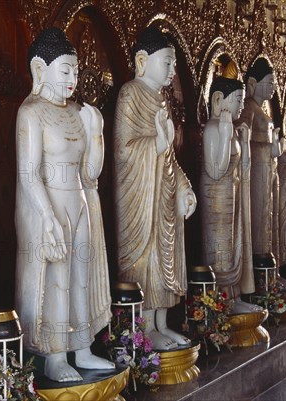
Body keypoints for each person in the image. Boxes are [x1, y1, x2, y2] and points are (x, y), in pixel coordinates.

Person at [15, 27, 114, 382]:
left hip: (79, 200)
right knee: (56, 278)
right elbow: (28, 174)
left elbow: (90, 173)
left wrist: (96, 132)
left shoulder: (76, 112)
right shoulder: (31, 113)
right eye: (65, 70)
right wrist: (47, 217)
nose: (73, 78)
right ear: (41, 70)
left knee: (81, 277)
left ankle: (82, 347)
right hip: (49, 205)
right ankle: (55, 354)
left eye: (76, 71)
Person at [113, 26, 196, 350]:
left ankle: (161, 322)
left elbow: (170, 157)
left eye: (174, 64)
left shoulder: (161, 99)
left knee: (167, 257)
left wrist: (185, 187)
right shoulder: (130, 93)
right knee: (145, 257)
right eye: (168, 63)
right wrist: (158, 141)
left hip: (162, 194)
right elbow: (123, 150)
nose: (173, 71)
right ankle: (145, 327)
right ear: (143, 60)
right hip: (139, 197)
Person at [199, 58, 262, 314]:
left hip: (232, 196)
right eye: (236, 100)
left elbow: (243, 170)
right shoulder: (213, 129)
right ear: (218, 101)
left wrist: (244, 142)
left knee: (234, 245)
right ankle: (221, 299)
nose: (240, 107)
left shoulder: (231, 130)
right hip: (216, 202)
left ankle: (234, 295)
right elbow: (216, 170)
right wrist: (225, 135)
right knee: (221, 250)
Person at [236, 58, 282, 260]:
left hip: (267, 165)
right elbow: (241, 136)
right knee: (258, 211)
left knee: (268, 210)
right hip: (255, 167)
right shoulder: (247, 108)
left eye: (273, 83)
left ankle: (267, 256)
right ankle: (258, 257)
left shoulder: (263, 109)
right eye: (269, 82)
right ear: (253, 84)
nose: (272, 87)